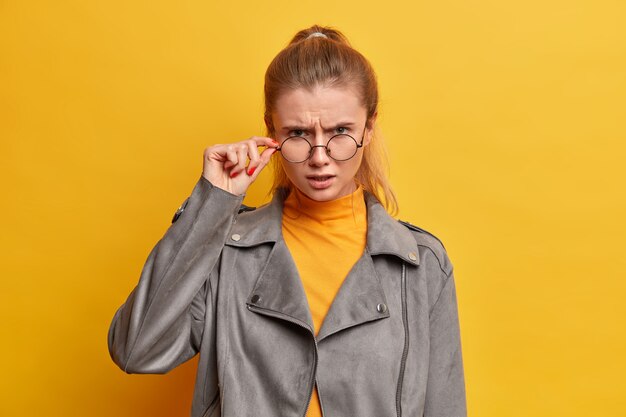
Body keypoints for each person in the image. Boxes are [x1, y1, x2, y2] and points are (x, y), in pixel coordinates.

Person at [108, 25, 467, 417]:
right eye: (297, 132)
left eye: (340, 131)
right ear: (271, 131)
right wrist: (212, 203)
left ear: (369, 126)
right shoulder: (227, 252)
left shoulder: (420, 265)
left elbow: (444, 407)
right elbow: (136, 348)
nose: (319, 156)